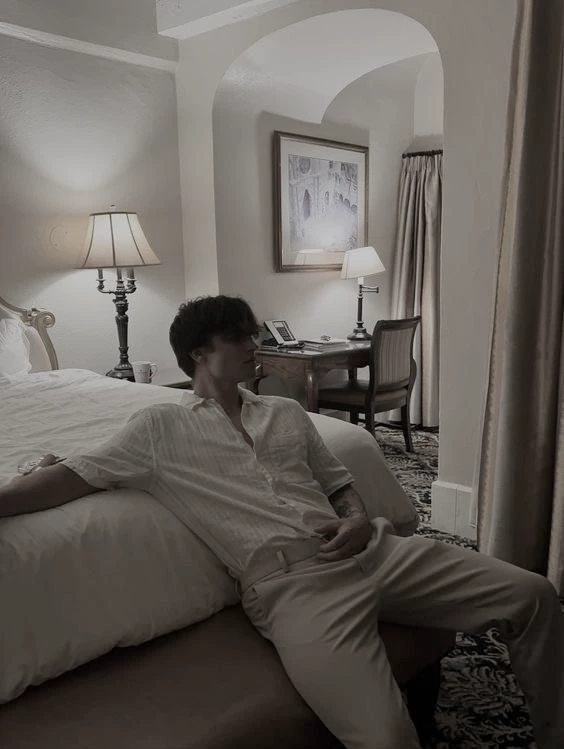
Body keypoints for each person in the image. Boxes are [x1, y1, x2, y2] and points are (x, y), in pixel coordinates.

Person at [1, 294, 563, 749]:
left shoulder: (287, 412)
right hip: (295, 591)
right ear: (199, 353)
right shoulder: (158, 429)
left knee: (533, 595)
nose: (254, 345)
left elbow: (338, 483)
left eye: (252, 334)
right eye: (238, 338)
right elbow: (69, 478)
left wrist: (357, 518)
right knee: (385, 738)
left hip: (376, 552)